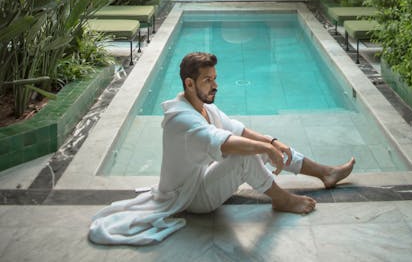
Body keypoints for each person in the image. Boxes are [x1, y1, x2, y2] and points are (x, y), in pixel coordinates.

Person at [89, 51, 355, 246]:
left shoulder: (204, 107)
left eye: (215, 78)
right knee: (244, 155)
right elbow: (227, 143)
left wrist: (272, 143)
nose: (215, 85)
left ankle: (325, 172)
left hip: (203, 179)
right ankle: (281, 199)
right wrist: (264, 148)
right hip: (192, 198)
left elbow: (237, 130)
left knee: (256, 145)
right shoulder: (182, 118)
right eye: (207, 80)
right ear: (189, 84)